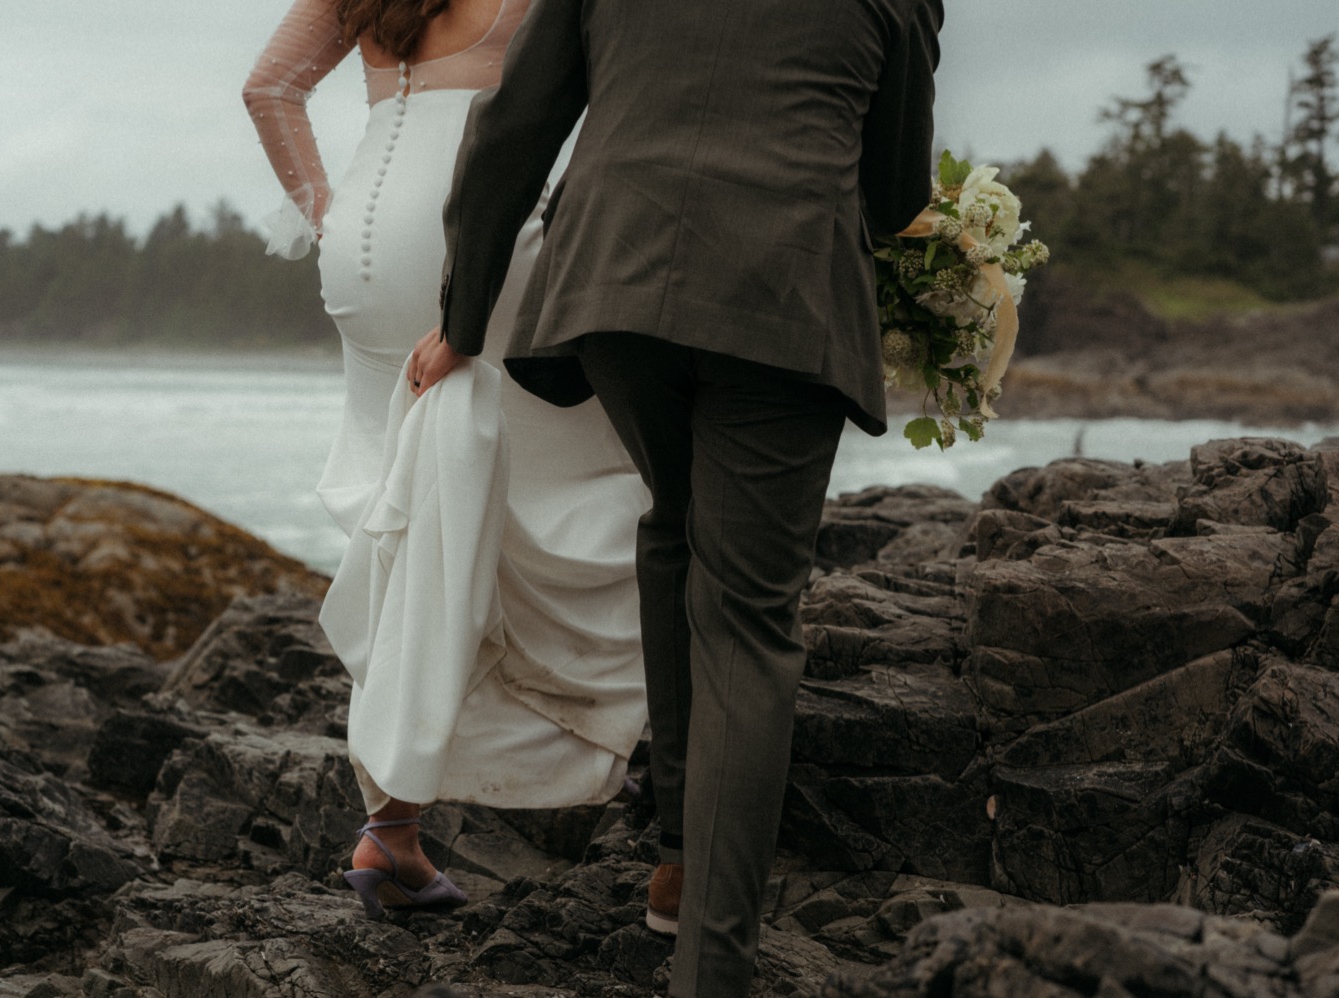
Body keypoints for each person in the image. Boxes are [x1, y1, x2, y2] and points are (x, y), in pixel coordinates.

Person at [417, 0, 943, 993]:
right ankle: (713, 965)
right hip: (780, 302)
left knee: (676, 519)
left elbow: (510, 126)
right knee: (747, 618)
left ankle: (676, 850)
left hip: (615, 285)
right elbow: (893, 188)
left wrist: (464, 316)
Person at [242, 0, 650, 915]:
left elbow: (270, 88)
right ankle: (634, 745)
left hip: (359, 257)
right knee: (607, 478)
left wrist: (328, 218)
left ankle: (393, 829)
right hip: (475, 240)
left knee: (409, 508)